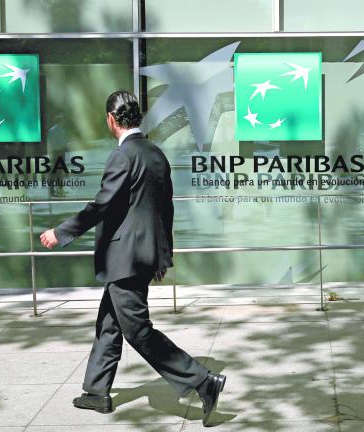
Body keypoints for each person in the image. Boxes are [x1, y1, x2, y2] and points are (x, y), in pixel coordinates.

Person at [39, 90, 225, 426]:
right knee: (109, 324)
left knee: (138, 331)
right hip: (140, 257)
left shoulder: (123, 156)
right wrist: (162, 257)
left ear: (111, 119)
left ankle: (202, 381)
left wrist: (61, 232)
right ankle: (96, 392)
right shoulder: (155, 154)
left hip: (123, 258)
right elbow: (164, 211)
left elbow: (101, 206)